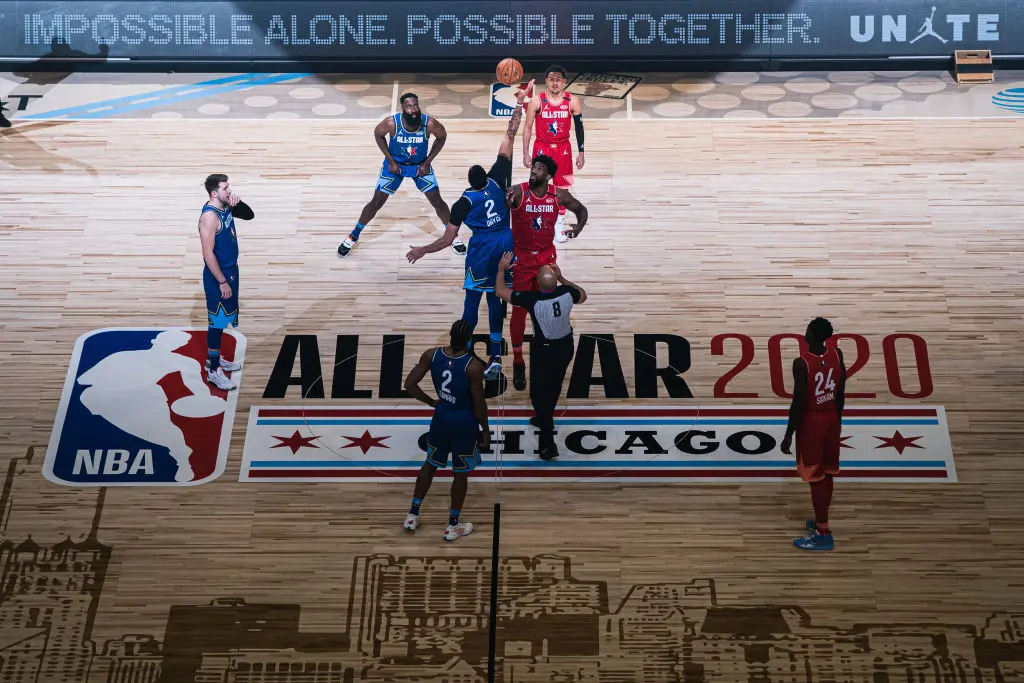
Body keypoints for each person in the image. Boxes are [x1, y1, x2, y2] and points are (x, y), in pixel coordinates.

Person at [406, 80, 535, 381]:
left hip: (481, 250)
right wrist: (520, 104)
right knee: (496, 303)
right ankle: (495, 360)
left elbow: (448, 239)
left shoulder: (463, 202)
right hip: (505, 243)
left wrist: (422, 250)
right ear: (485, 175)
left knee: (470, 303)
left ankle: (462, 354)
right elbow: (509, 135)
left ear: (468, 179)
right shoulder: (497, 179)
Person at [339, 93, 463, 257]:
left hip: (420, 167)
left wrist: (427, 162)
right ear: (403, 108)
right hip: (395, 167)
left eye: (416, 106)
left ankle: (451, 236)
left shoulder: (429, 123)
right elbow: (378, 134)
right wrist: (390, 160)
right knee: (376, 202)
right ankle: (353, 235)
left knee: (438, 202)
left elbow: (442, 137)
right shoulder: (391, 123)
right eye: (409, 106)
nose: (414, 110)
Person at [402, 320, 490, 542]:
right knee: (460, 473)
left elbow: (410, 384)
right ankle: (452, 525)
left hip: (441, 418)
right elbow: (479, 403)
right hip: (463, 422)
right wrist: (485, 429)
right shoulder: (473, 366)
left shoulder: (431, 354)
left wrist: (432, 402)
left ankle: (412, 515)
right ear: (469, 340)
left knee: (430, 464)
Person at [507, 153, 588, 391]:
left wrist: (578, 228)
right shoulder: (517, 192)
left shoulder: (559, 195)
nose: (533, 170)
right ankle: (519, 360)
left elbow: (581, 210)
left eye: (539, 168)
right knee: (519, 312)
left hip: (546, 259)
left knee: (548, 308)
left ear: (549, 175)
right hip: (521, 259)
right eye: (533, 167)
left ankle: (550, 349)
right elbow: (499, 215)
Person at [496, 253, 586, 461]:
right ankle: (544, 417)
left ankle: (547, 441)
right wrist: (562, 279)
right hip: (565, 346)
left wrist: (501, 270)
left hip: (544, 350)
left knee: (538, 392)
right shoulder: (567, 292)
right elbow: (583, 294)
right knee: (554, 386)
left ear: (536, 282)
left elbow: (500, 291)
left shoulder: (532, 299)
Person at [781, 317, 847, 551]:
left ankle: (823, 533)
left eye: (807, 330)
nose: (805, 333)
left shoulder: (801, 363)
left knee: (816, 478)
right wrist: (837, 419)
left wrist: (789, 433)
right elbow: (841, 390)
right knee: (828, 473)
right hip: (831, 419)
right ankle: (822, 521)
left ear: (811, 334)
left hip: (812, 422)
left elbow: (798, 403)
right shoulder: (837, 354)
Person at [198, 174, 253, 391]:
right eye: (225, 188)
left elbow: (250, 216)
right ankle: (212, 370)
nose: (228, 190)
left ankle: (216, 358)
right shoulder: (209, 218)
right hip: (218, 277)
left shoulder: (225, 207)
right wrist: (221, 281)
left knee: (223, 320)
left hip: (231, 272)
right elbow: (207, 253)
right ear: (214, 193)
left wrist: (237, 203)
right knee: (216, 321)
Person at [522, 65, 585, 243]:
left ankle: (558, 225)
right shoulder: (536, 101)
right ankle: (537, 223)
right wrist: (526, 153)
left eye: (558, 79)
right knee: (537, 188)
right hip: (542, 149)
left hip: (563, 149)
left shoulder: (573, 101)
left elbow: (579, 128)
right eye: (551, 79)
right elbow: (527, 127)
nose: (555, 82)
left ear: (564, 81)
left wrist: (581, 152)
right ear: (546, 81)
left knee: (562, 189)